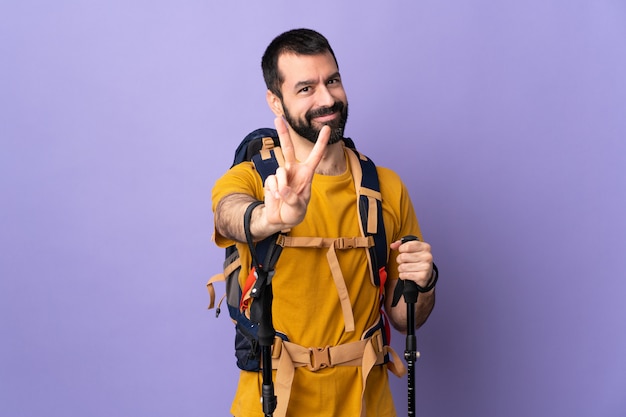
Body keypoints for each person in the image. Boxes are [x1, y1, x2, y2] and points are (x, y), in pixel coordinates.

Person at [212, 28, 436, 417]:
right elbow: (227, 213)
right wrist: (267, 217)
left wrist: (425, 283)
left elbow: (404, 318)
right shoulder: (252, 178)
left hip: (368, 404)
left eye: (332, 80)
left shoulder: (385, 188)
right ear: (275, 102)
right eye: (306, 89)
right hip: (273, 403)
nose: (327, 98)